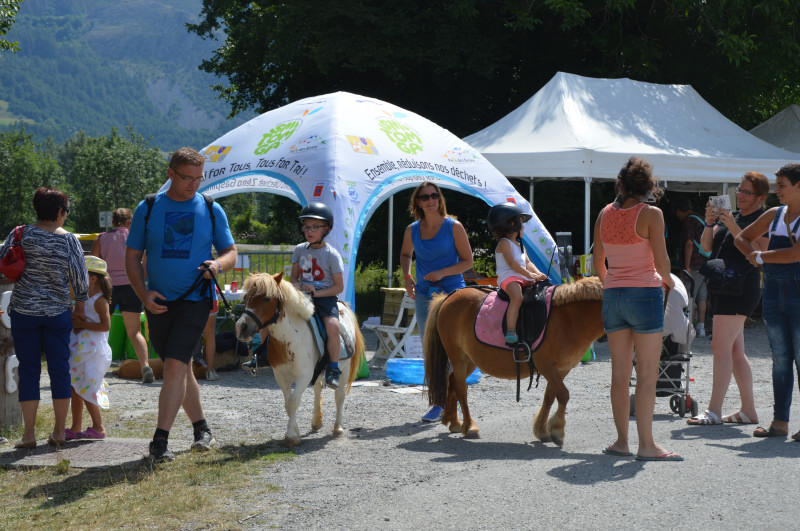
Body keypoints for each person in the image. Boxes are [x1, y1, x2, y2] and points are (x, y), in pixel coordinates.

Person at [125, 147, 237, 462]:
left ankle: (159, 442)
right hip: (157, 302)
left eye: (198, 178)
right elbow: (132, 257)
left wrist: (218, 265)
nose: (193, 185)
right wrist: (144, 295)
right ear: (170, 174)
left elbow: (230, 252)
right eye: (186, 178)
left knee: (174, 367)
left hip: (196, 300)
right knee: (182, 366)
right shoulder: (147, 208)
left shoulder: (212, 209)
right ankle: (202, 428)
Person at [593, 157, 682, 461]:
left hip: (613, 294)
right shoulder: (651, 215)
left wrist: (613, 284)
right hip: (644, 294)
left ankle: (621, 441)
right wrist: (669, 282)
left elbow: (597, 263)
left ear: (620, 183)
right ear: (647, 187)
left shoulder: (603, 215)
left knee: (619, 375)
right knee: (646, 375)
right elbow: (662, 262)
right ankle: (647, 445)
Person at [1, 187, 88, 448]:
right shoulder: (69, 240)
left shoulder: (20, 233)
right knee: (59, 369)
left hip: (24, 312)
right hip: (57, 313)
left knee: (28, 370)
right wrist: (80, 310)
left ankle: (28, 435)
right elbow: (80, 279)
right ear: (60, 212)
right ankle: (59, 432)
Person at [687, 172, 768, 426]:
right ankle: (748, 411)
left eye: (747, 192)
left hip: (741, 287)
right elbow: (707, 248)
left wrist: (732, 224)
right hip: (724, 287)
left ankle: (713, 409)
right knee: (735, 352)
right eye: (739, 191)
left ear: (761, 197)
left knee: (719, 348)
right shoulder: (737, 217)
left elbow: (762, 251)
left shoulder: (761, 218)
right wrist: (710, 224)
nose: (740, 196)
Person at [735, 163, 800, 441]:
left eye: (782, 185)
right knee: (780, 359)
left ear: (799, 186)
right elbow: (741, 238)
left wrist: (760, 257)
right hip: (773, 293)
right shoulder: (774, 215)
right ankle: (780, 423)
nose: (777, 191)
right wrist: (754, 254)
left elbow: (796, 254)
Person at [400, 181, 473, 422]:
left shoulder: (454, 226)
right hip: (424, 294)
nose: (430, 200)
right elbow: (405, 254)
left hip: (453, 294)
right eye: (424, 197)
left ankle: (455, 398)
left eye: (434, 195)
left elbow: (468, 262)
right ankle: (438, 403)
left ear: (440, 199)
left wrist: (443, 273)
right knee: (431, 349)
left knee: (454, 350)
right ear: (417, 202)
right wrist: (407, 276)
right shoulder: (412, 229)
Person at [92, 207, 154, 383]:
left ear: (112, 222)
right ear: (129, 223)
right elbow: (145, 264)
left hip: (108, 287)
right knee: (134, 331)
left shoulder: (101, 238)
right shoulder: (137, 239)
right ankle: (145, 366)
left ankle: (94, 367)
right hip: (132, 286)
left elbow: (94, 267)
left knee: (100, 329)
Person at [290, 202, 345, 389]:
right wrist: (299, 287)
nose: (309, 231)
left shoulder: (332, 255)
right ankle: (262, 353)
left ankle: (333, 368)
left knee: (333, 327)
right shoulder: (299, 250)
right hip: (302, 297)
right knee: (274, 316)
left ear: (326, 229)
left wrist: (318, 292)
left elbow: (338, 287)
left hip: (325, 298)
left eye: (315, 226)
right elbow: (293, 279)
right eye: (306, 227)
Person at [487, 202, 548, 344]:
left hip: (522, 275)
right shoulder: (504, 243)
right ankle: (511, 330)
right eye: (521, 223)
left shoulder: (520, 245)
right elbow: (513, 265)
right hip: (509, 277)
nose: (524, 226)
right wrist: (530, 275)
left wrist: (539, 274)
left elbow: (528, 263)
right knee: (517, 297)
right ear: (512, 224)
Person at [66, 256, 113, 440]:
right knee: (75, 386)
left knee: (86, 388)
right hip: (80, 349)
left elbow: (106, 326)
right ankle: (76, 426)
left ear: (93, 278)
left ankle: (99, 427)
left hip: (92, 351)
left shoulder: (99, 301)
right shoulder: (83, 298)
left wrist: (83, 325)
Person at [675, 196, 711, 337]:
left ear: (678, 210)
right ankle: (701, 328)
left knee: (688, 296)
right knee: (702, 298)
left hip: (694, 265)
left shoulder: (689, 221)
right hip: (705, 264)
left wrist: (687, 265)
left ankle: (688, 328)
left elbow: (689, 243)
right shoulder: (701, 218)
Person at [202, 297, 220, 381]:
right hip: (208, 297)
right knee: (210, 335)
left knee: (186, 334)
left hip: (187, 297)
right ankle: (210, 371)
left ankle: (183, 370)